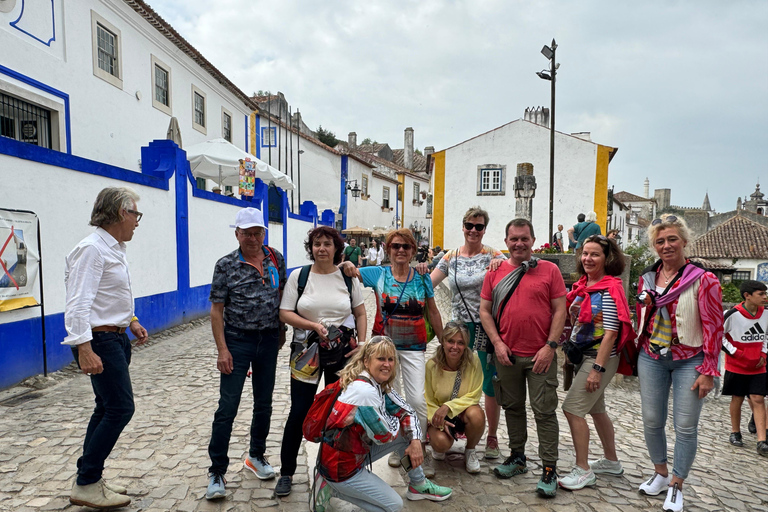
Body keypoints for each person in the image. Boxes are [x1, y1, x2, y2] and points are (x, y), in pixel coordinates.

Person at [64, 187, 149, 509]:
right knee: (120, 408)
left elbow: (107, 296)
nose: (137, 223)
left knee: (105, 407)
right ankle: (86, 482)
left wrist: (131, 320)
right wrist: (84, 348)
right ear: (118, 213)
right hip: (99, 341)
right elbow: (78, 304)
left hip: (114, 337)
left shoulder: (113, 248)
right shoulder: (92, 250)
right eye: (135, 215)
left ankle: (90, 477)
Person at [635, 214, 723, 512]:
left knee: (685, 425)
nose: (666, 245)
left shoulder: (703, 279)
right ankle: (660, 473)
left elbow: (714, 326)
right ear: (654, 246)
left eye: (672, 239)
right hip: (651, 356)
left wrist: (710, 370)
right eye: (660, 241)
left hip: (690, 358)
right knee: (651, 419)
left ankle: (677, 483)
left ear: (685, 241)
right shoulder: (647, 278)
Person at [342, 228, 443, 477]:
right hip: (384, 348)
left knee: (417, 401)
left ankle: (416, 446)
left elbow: (433, 311)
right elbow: (348, 272)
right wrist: (346, 263)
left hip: (414, 348)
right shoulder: (378, 273)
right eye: (395, 246)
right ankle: (400, 448)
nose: (400, 250)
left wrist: (442, 342)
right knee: (391, 400)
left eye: (406, 247)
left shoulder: (422, 277)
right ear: (388, 249)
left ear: (412, 251)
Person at [274, 226, 367, 496]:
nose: (322, 248)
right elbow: (284, 313)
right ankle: (287, 472)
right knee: (299, 411)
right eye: (317, 244)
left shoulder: (347, 278)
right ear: (311, 248)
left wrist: (361, 346)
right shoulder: (299, 276)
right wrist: (313, 325)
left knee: (338, 415)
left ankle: (335, 472)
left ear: (336, 248)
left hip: (341, 353)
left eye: (327, 243)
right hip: (306, 352)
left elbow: (360, 313)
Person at [479, 218, 567, 498]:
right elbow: (484, 310)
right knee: (512, 407)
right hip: (507, 354)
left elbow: (560, 310)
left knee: (544, 411)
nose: (519, 243)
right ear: (506, 242)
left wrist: (550, 347)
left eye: (524, 238)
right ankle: (517, 457)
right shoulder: (494, 272)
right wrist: (497, 343)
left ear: (532, 240)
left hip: (541, 354)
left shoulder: (550, 270)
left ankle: (549, 469)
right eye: (514, 239)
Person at [315, 337, 453, 511]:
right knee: (394, 506)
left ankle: (418, 484)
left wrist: (416, 439)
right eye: (381, 359)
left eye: (390, 359)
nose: (387, 364)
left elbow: (407, 411)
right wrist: (406, 427)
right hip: (341, 467)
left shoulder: (373, 381)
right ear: (366, 361)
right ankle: (332, 489)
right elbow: (385, 435)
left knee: (408, 433)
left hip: (353, 451)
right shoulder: (364, 392)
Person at [205, 207, 287, 500]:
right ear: (237, 234)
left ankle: (256, 455)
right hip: (237, 341)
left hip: (267, 341)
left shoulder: (275, 258)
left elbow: (282, 296)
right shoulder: (225, 265)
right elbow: (216, 310)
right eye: (247, 233)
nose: (253, 238)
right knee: (227, 407)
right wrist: (222, 350)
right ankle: (216, 471)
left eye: (257, 232)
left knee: (263, 403)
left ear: (263, 233)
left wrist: (282, 332)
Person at [427, 206, 506, 460]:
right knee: (450, 376)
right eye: (469, 225)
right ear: (463, 227)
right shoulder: (451, 257)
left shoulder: (494, 255)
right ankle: (445, 424)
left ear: (484, 229)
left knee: (489, 383)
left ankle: (491, 436)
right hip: (458, 328)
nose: (474, 230)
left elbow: (516, 274)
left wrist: (500, 267)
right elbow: (429, 284)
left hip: (485, 327)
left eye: (479, 226)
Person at [559, 235, 636, 490]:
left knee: (572, 408)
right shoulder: (584, 284)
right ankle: (612, 462)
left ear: (607, 258)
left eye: (595, 254)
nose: (588, 259)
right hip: (583, 355)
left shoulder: (609, 288)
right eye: (585, 254)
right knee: (596, 409)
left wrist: (596, 371)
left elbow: (611, 333)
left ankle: (583, 470)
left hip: (597, 359)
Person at [425, 322, 485, 473]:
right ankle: (437, 444)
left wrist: (449, 407)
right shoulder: (432, 366)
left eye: (460, 343)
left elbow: (475, 394)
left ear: (465, 345)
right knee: (441, 444)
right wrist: (439, 418)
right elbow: (426, 398)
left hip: (463, 412)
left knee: (477, 415)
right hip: (439, 414)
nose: (455, 347)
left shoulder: (473, 362)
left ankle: (470, 451)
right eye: (450, 341)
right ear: (443, 342)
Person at [722, 280, 768, 455]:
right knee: (738, 398)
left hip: (758, 366)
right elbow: (718, 336)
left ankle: (761, 441)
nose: (765, 297)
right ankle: (735, 432)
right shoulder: (732, 314)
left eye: (765, 293)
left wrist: (763, 354)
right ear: (747, 295)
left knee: (758, 398)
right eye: (761, 294)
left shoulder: (766, 314)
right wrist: (736, 353)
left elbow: (766, 335)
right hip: (737, 366)